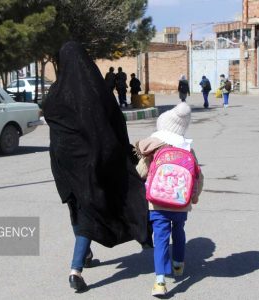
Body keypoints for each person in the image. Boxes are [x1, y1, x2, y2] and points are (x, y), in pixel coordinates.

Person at [43, 41, 149, 292]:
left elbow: (54, 127)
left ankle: (86, 255)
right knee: (90, 210)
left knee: (77, 207)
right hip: (94, 162)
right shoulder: (97, 91)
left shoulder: (55, 95)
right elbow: (114, 124)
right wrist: (125, 154)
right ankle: (75, 270)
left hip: (64, 165)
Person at [135, 102, 204, 296]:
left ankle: (160, 281)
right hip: (181, 204)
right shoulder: (188, 150)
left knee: (162, 238)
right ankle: (178, 263)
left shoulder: (155, 149)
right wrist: (195, 196)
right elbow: (197, 176)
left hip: (157, 203)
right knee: (179, 230)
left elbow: (141, 171)